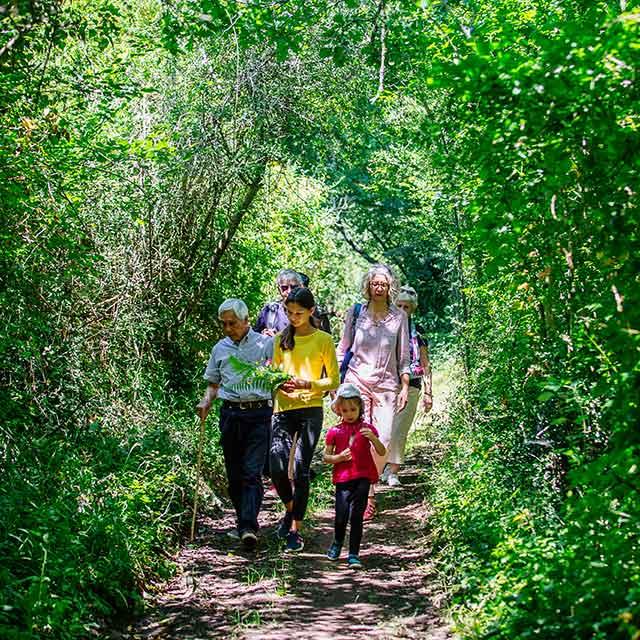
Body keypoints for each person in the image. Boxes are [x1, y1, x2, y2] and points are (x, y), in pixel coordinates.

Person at [196, 299, 273, 549]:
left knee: (252, 472)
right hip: (230, 415)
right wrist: (205, 402)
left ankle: (248, 526)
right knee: (234, 475)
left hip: (259, 414)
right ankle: (244, 523)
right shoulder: (219, 348)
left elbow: (279, 374)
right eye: (224, 324)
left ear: (246, 320)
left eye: (233, 323)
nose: (228, 328)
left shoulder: (265, 344)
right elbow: (213, 384)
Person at [336, 263, 410, 520]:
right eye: (375, 283)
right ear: (368, 286)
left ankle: (367, 483)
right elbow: (343, 348)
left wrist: (405, 385)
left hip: (388, 385)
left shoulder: (400, 317)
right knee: (357, 439)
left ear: (391, 288)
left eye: (384, 284)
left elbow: (404, 357)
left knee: (385, 439)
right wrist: (336, 383)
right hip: (357, 381)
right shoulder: (356, 313)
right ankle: (366, 493)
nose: (379, 288)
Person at [270, 287, 340, 552]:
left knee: (300, 469)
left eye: (299, 313)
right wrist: (278, 385)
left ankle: (295, 529)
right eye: (289, 313)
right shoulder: (280, 339)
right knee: (276, 467)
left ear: (311, 311)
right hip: (282, 410)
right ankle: (290, 509)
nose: (293, 317)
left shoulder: (322, 339)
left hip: (310, 408)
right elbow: (273, 375)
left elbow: (333, 380)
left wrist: (306, 384)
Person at [324, 383, 386, 569]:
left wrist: (373, 438)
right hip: (343, 478)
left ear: (360, 408)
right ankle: (337, 542)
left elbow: (382, 452)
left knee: (356, 516)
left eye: (353, 409)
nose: (349, 413)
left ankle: (353, 554)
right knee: (341, 515)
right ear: (339, 410)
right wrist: (338, 457)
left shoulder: (367, 429)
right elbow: (326, 457)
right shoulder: (334, 431)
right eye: (345, 410)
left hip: (363, 477)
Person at [382, 285, 433, 487]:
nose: (403, 310)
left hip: (411, 384)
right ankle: (382, 466)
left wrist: (429, 392)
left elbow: (425, 362)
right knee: (385, 428)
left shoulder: (418, 332)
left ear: (413, 309)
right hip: (386, 384)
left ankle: (393, 470)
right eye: (399, 305)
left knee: (400, 429)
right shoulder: (385, 329)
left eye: (407, 307)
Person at [254, 269, 304, 336]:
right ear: (279, 290)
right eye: (284, 288)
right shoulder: (270, 311)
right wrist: (263, 336)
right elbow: (255, 339)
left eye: (293, 287)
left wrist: (277, 339)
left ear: (301, 287)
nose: (289, 291)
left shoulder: (308, 312)